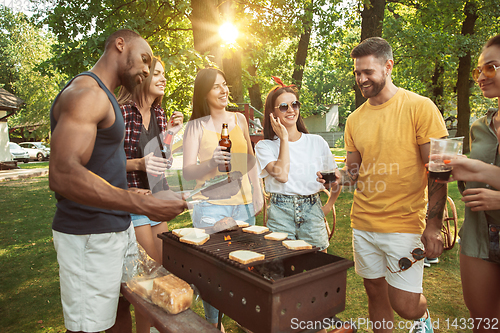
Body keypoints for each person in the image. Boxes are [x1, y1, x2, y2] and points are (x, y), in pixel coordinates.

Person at [49, 29, 187, 333]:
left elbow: (100, 165)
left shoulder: (106, 97)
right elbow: (63, 173)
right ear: (120, 44)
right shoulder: (87, 93)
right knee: (91, 326)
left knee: (124, 306)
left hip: (116, 229)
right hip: (89, 236)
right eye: (145, 59)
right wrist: (136, 202)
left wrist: (137, 193)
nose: (148, 70)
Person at [339, 37, 448, 333]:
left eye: (368, 72)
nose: (361, 79)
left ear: (388, 67)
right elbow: (353, 169)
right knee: (375, 291)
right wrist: (338, 177)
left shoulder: (421, 107)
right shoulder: (354, 119)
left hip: (404, 224)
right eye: (357, 73)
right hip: (363, 222)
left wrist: (434, 225)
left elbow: (439, 170)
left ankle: (422, 319)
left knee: (405, 305)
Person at [182, 67, 263, 331]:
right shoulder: (195, 126)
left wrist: (258, 193)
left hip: (243, 205)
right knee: (214, 273)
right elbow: (188, 171)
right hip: (210, 208)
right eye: (216, 86)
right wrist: (210, 162)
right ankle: (214, 324)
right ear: (204, 92)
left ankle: (245, 319)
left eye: (225, 84)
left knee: (246, 267)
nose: (224, 90)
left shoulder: (239, 119)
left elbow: (250, 159)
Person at [117, 56, 184, 333]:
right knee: (147, 278)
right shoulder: (121, 112)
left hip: (157, 199)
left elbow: (163, 161)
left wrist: (171, 133)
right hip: (133, 200)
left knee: (161, 273)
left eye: (163, 74)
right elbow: (104, 162)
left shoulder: (159, 114)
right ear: (141, 78)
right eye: (157, 73)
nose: (163, 78)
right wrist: (138, 164)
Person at [254, 77, 341, 254]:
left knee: (318, 268)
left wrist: (327, 206)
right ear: (273, 113)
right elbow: (282, 175)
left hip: (312, 209)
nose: (291, 110)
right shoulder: (265, 146)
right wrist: (284, 139)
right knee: (282, 270)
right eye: (284, 107)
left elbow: (336, 180)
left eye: (295, 104)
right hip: (280, 212)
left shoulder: (317, 142)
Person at [452, 34, 500, 332]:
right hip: (478, 235)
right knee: (483, 323)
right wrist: (457, 170)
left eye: (490, 68)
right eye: (478, 70)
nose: (481, 76)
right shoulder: (479, 127)